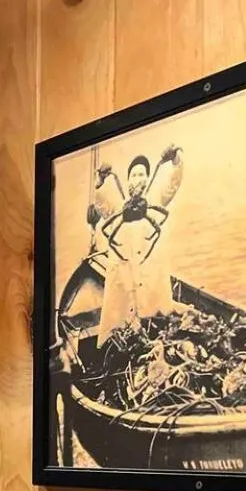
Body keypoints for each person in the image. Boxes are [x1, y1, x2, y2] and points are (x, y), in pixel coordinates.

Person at [89, 144, 184, 345]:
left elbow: (173, 184)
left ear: (148, 179)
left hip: (150, 268)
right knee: (121, 315)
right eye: (134, 174)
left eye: (142, 174)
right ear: (127, 180)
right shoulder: (119, 206)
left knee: (156, 313)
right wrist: (99, 182)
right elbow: (100, 205)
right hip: (124, 271)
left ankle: (157, 335)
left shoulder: (155, 198)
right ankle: (120, 342)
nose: (138, 178)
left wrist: (176, 159)